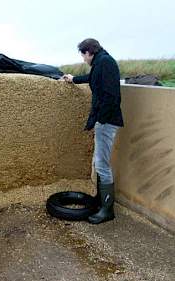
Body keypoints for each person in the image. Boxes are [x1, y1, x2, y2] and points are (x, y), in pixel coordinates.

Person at [62, 38, 124, 224]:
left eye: (83, 55)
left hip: (107, 121)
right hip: (104, 120)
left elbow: (112, 96)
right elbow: (93, 78)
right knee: (99, 163)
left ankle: (107, 210)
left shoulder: (105, 62)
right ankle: (100, 200)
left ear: (89, 52)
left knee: (102, 164)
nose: (83, 59)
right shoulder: (101, 62)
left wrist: (101, 120)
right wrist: (74, 79)